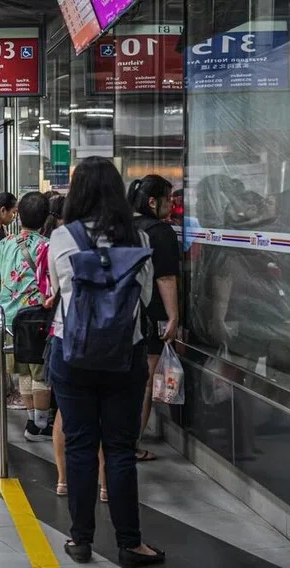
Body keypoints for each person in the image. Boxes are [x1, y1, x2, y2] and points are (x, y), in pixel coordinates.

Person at [48, 157, 163, 566]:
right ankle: (131, 543)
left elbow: (60, 292)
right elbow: (146, 300)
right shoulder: (140, 239)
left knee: (80, 446)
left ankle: (80, 540)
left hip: (72, 352)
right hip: (124, 353)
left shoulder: (62, 238)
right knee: (119, 449)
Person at [0, 192, 53, 441]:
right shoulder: (47, 246)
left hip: (9, 322)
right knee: (40, 373)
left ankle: (32, 420)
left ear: (18, 215)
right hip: (38, 318)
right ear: (45, 217)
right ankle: (39, 424)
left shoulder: (5, 244)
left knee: (25, 373)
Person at [127, 176, 180, 462]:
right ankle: (130, 444)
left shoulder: (123, 226)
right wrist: (174, 316)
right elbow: (166, 277)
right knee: (143, 382)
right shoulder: (160, 231)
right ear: (152, 202)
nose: (172, 205)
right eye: (169, 199)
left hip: (122, 314)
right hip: (149, 316)